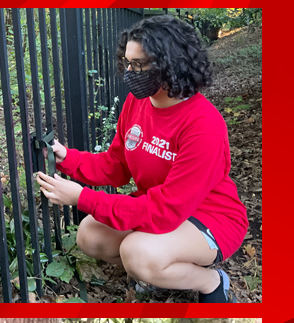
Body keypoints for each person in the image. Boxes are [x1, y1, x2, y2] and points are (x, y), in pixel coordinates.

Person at [35, 15, 248, 302]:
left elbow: (166, 209)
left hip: (210, 217)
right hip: (163, 208)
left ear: (171, 63)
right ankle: (160, 268)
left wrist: (82, 198)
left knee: (138, 253)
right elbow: (117, 165)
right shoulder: (137, 103)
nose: (130, 72)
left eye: (140, 65)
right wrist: (66, 158)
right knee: (89, 234)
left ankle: (211, 281)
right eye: (128, 63)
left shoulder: (204, 125)